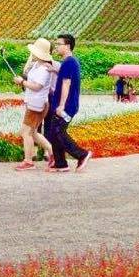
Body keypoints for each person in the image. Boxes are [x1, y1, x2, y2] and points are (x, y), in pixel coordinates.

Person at [45, 34, 91, 173]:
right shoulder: (68, 63)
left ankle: (82, 155)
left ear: (68, 46)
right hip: (62, 104)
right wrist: (55, 70)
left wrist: (61, 106)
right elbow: (65, 75)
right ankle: (60, 164)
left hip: (67, 106)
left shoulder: (70, 62)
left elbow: (66, 83)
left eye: (59, 44)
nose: (57, 47)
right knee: (53, 132)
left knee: (59, 131)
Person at [12, 38, 55, 171]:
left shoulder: (44, 69)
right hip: (33, 103)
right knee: (33, 133)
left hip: (37, 105)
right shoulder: (37, 65)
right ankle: (53, 152)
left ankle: (28, 161)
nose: (32, 54)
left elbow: (37, 86)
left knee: (26, 133)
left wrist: (21, 82)